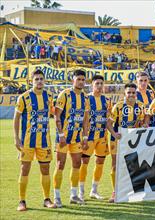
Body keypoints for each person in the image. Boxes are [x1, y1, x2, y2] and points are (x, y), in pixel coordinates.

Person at [14, 69, 56, 211]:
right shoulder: (24, 97)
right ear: (32, 81)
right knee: (24, 169)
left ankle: (47, 199)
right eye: (36, 79)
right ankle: (22, 201)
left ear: (44, 81)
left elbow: (53, 113)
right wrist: (16, 138)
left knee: (45, 169)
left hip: (44, 140)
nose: (39, 81)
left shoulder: (49, 96)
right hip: (27, 141)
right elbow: (17, 118)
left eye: (41, 79)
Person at [78, 75, 120, 202]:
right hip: (89, 137)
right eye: (97, 83)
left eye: (102, 83)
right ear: (92, 85)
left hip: (102, 137)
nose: (100, 86)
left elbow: (108, 119)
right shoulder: (86, 99)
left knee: (100, 163)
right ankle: (80, 192)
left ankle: (94, 190)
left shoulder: (107, 101)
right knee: (84, 163)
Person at [53, 69, 90, 207]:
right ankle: (56, 196)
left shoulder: (85, 98)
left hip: (76, 138)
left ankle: (73, 195)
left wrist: (85, 137)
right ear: (73, 80)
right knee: (60, 165)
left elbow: (86, 120)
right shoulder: (65, 95)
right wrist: (61, 135)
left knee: (77, 164)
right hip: (63, 138)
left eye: (83, 79)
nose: (81, 82)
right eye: (78, 79)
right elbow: (57, 116)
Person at [108, 83, 145, 203]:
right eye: (129, 92)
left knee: (133, 165)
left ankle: (132, 190)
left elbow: (143, 120)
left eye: (133, 93)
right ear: (125, 93)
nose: (131, 95)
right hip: (117, 141)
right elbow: (108, 123)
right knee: (115, 165)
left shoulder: (140, 106)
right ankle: (115, 192)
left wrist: (143, 125)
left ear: (136, 94)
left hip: (132, 141)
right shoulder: (118, 106)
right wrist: (114, 134)